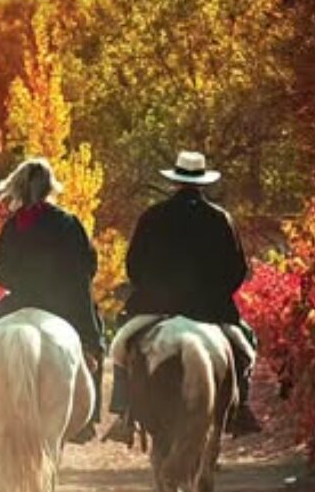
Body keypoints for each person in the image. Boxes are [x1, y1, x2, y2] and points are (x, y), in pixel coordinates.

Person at [104, 151, 263, 443]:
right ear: (203, 183)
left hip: (156, 306)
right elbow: (237, 269)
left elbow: (134, 265)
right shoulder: (221, 218)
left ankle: (125, 411)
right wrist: (215, 295)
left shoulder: (152, 216)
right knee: (246, 347)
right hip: (211, 310)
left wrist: (153, 290)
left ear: (175, 182)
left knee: (121, 347)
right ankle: (240, 409)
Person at [0, 158, 104, 442]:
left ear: (19, 187)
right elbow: (87, 267)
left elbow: (2, 275)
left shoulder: (14, 225)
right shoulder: (69, 222)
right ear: (50, 187)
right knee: (93, 340)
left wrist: (24, 284)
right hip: (65, 305)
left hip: (20, 301)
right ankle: (88, 418)